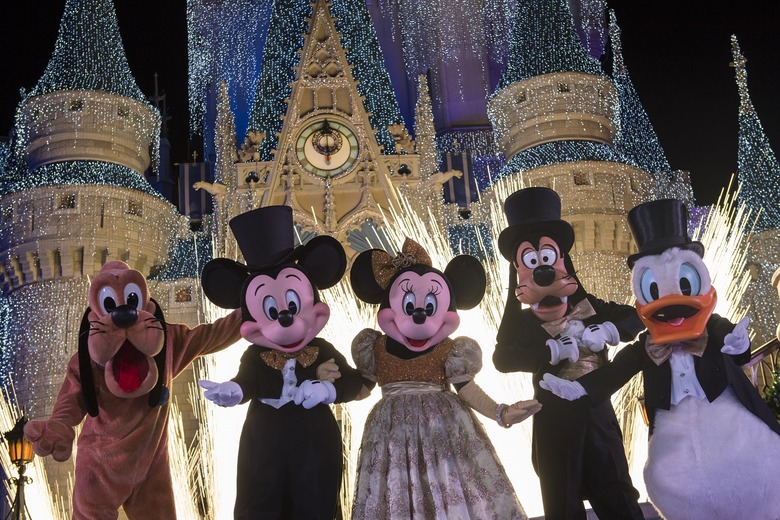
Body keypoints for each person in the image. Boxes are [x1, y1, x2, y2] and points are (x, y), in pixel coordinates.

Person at [350, 238, 541, 520]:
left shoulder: (452, 350)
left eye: (429, 305)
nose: (418, 314)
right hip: (392, 436)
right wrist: (328, 388)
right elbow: (360, 387)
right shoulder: (373, 347)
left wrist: (501, 412)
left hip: (443, 432)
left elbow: (467, 389)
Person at [494, 187, 645, 520]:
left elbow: (638, 316)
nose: (542, 269)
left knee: (618, 497)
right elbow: (502, 359)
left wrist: (609, 330)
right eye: (531, 260)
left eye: (547, 256)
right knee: (561, 505)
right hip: (554, 421)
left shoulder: (590, 308)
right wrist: (548, 350)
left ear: (562, 260)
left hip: (597, 415)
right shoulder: (523, 323)